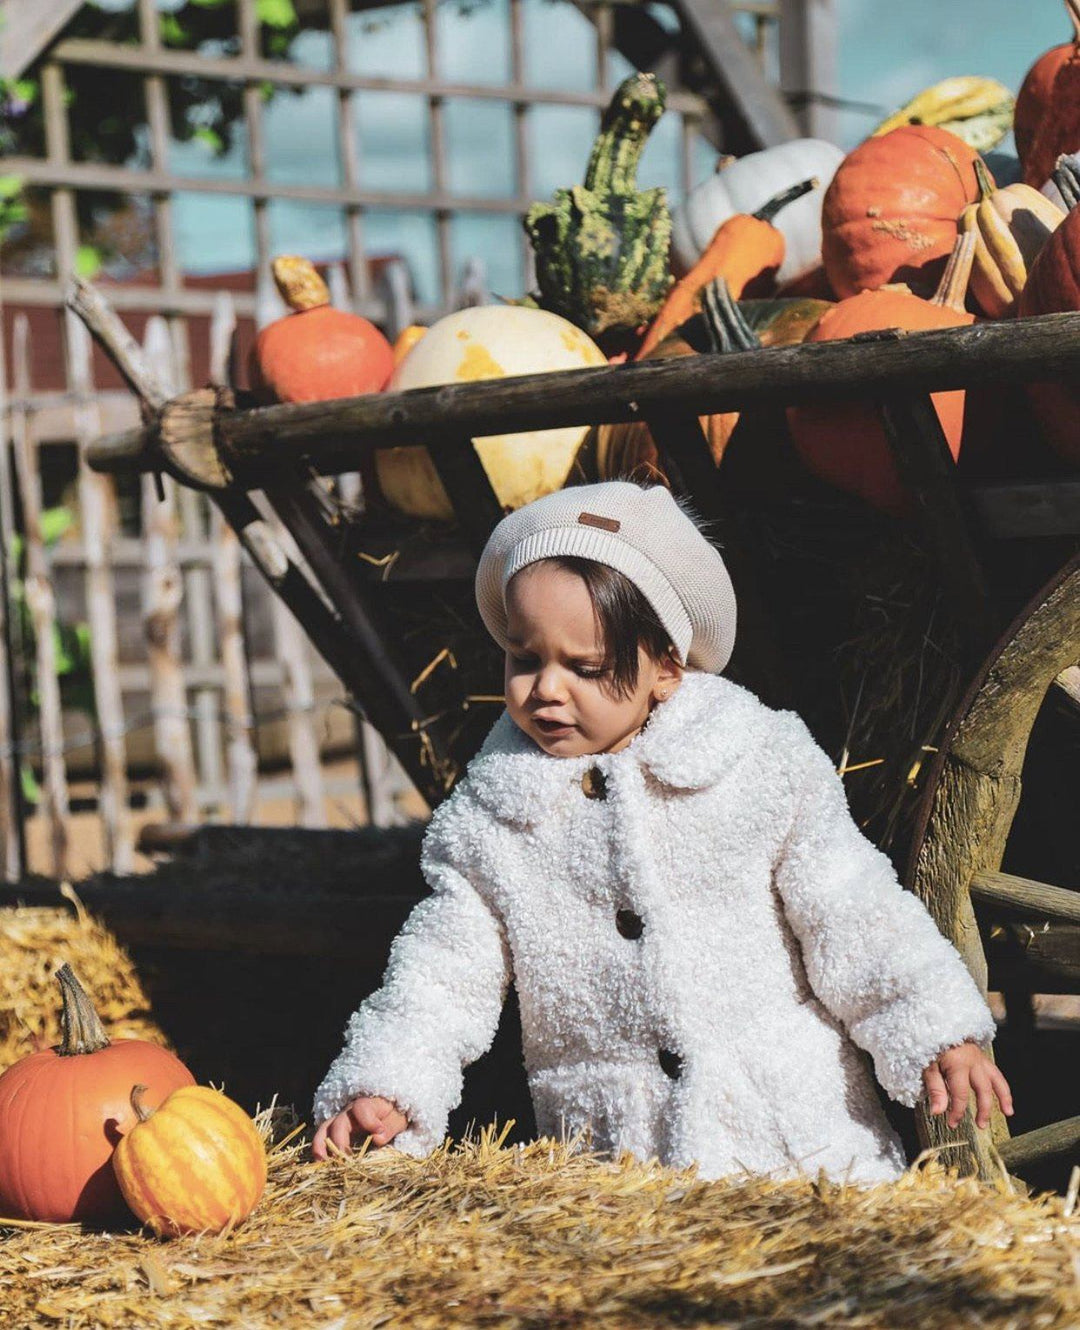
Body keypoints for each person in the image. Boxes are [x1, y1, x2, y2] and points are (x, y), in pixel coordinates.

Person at [311, 481, 1012, 1182]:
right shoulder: (491, 818)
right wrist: (386, 1081)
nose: (546, 689)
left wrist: (933, 1028)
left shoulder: (754, 765)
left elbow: (853, 909)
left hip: (798, 1141)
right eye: (525, 659)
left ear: (666, 670)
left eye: (586, 668)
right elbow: (439, 973)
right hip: (618, 1161)